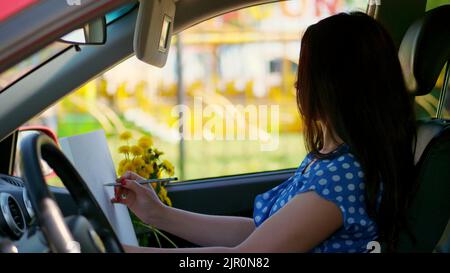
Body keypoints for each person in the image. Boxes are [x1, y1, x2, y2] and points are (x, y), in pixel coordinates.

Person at [112, 12, 417, 253]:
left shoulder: (343, 178)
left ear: (335, 85)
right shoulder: (333, 163)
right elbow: (261, 234)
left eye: (306, 73)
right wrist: (159, 215)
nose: (298, 84)